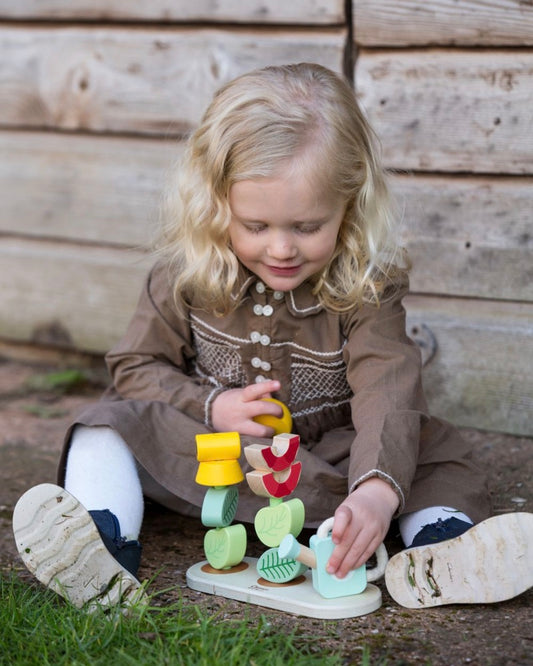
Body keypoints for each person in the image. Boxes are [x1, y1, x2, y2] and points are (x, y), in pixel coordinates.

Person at [13, 63, 532, 611]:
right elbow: (136, 366)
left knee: (429, 449)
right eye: (256, 227)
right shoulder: (185, 273)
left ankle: (439, 554)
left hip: (329, 465)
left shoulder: (365, 289)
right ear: (218, 206)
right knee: (106, 425)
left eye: (306, 227)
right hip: (216, 458)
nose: (281, 249)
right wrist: (210, 406)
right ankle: (101, 550)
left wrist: (377, 490)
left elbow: (388, 387)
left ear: (349, 207)